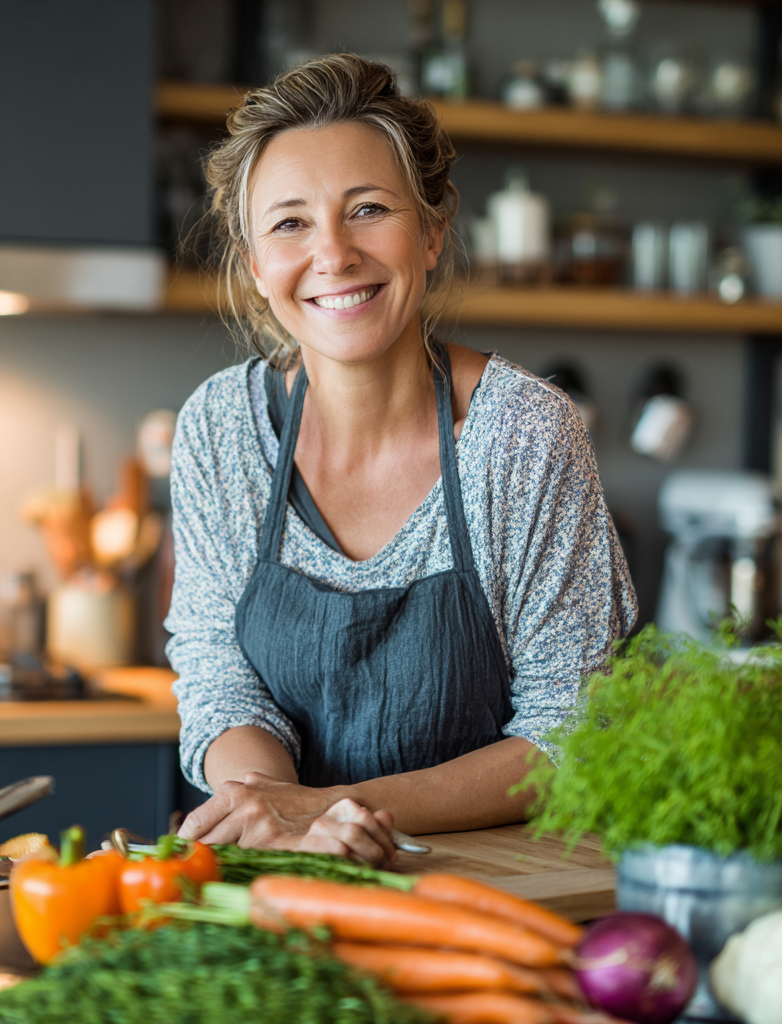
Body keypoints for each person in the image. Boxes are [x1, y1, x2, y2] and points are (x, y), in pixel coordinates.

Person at [165, 54, 636, 867]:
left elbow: (569, 730)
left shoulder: (524, 434)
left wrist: (327, 811)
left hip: (493, 892)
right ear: (253, 264)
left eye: (369, 209)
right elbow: (218, 678)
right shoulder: (221, 428)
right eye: (290, 223)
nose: (334, 253)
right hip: (281, 881)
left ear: (431, 232)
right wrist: (282, 824)